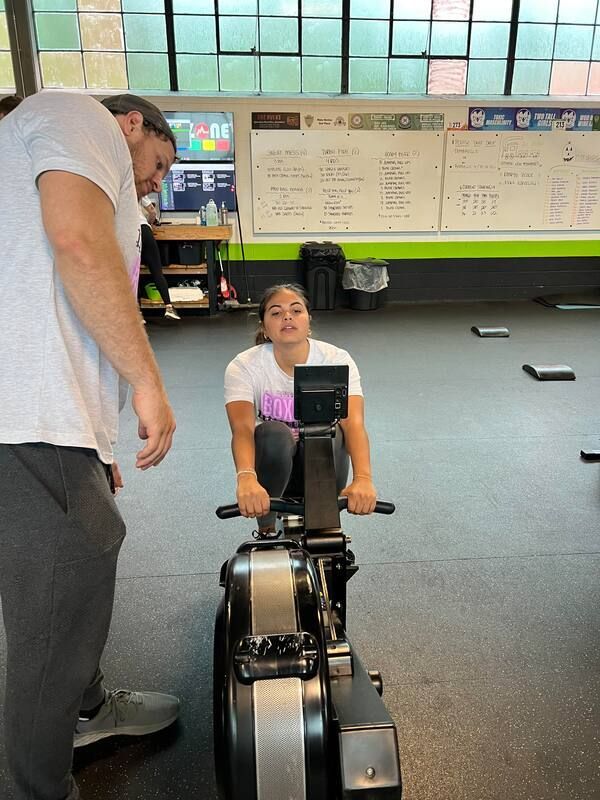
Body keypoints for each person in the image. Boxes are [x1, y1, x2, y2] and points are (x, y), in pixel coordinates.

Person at [0, 92, 179, 800]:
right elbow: (75, 241)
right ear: (132, 123)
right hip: (25, 419)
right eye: (159, 162)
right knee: (52, 618)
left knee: (82, 563)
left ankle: (88, 706)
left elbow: (55, 295)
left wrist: (95, 436)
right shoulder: (81, 118)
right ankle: (37, 787)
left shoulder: (42, 144)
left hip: (48, 417)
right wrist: (148, 383)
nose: (155, 181)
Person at [224, 283, 377, 533]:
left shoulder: (336, 360)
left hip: (323, 460)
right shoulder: (244, 366)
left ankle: (324, 524)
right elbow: (242, 429)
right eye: (276, 312)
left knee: (328, 430)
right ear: (264, 326)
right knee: (274, 432)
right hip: (273, 460)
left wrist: (363, 479)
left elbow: (354, 424)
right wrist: (246, 477)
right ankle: (267, 530)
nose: (287, 316)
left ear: (309, 321)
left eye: (296, 311)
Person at [139, 194, 181, 321]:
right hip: (145, 229)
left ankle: (137, 314)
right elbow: (152, 211)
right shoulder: (138, 190)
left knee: (133, 273)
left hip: (129, 232)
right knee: (157, 271)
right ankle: (169, 307)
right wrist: (151, 222)